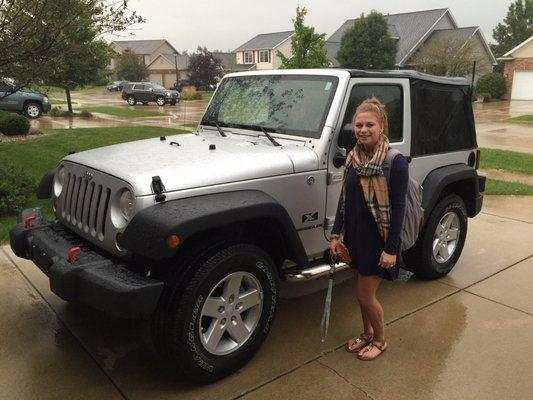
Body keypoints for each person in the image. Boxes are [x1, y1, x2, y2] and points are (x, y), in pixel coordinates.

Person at [329, 97, 409, 361]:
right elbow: (344, 200)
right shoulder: (354, 157)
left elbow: (398, 209)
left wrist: (391, 249)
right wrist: (335, 235)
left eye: (369, 125)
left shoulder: (394, 161)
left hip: (378, 240)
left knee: (365, 296)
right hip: (354, 239)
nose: (363, 130)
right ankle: (366, 334)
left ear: (381, 126)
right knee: (360, 295)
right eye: (359, 125)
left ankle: (380, 340)